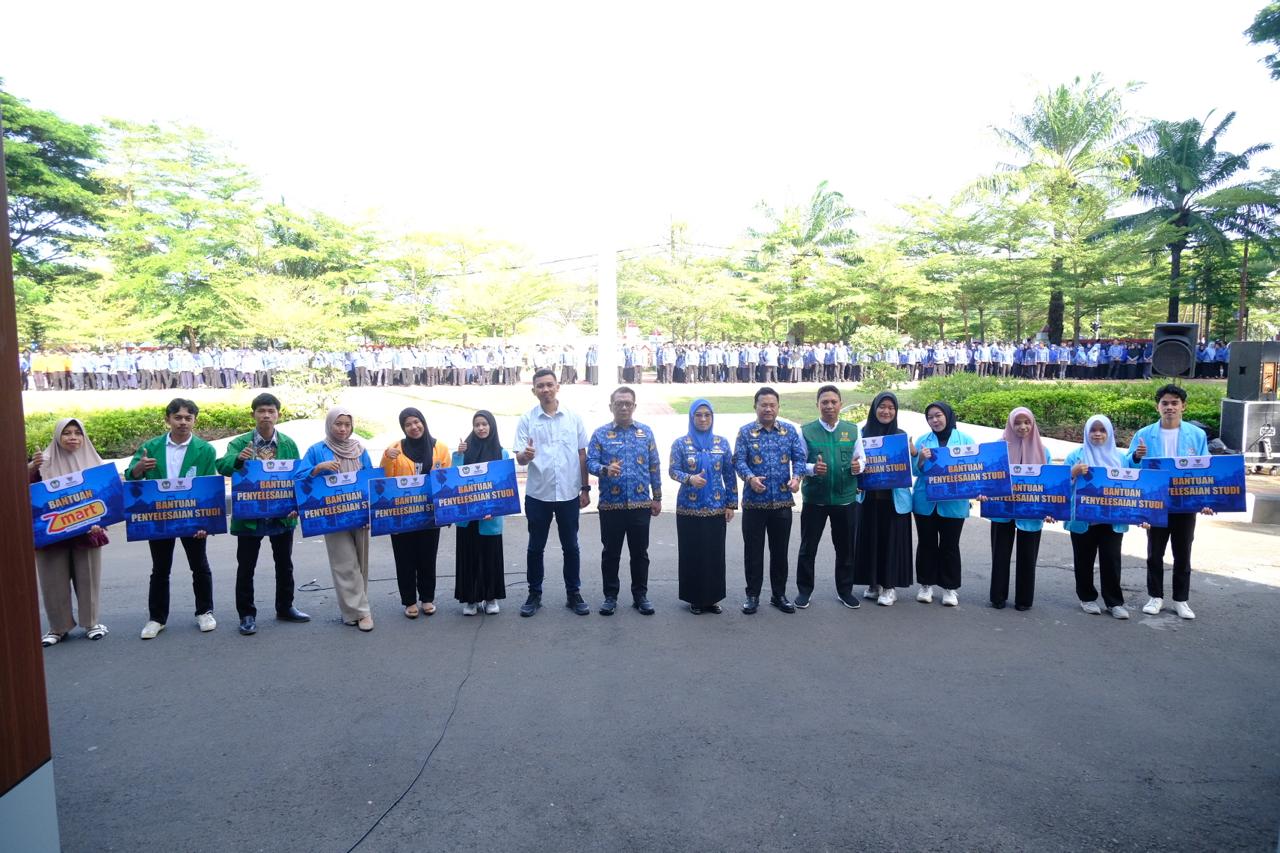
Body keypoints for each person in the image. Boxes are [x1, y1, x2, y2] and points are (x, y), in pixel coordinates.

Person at [216, 393, 310, 636]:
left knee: (284, 564)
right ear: (253, 415)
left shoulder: (288, 443)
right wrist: (238, 459)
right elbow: (223, 465)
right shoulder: (240, 443)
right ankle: (247, 614)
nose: (266, 415)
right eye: (261, 411)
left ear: (278, 415)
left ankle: (285, 607)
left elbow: (297, 476)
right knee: (246, 566)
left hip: (281, 514)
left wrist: (296, 504)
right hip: (250, 515)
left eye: (271, 411)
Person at [127, 399, 219, 640]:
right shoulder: (151, 447)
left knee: (199, 565)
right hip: (160, 517)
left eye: (188, 418)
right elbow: (130, 477)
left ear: (194, 421)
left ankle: (205, 612)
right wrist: (139, 469)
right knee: (160, 569)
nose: (183, 422)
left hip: (191, 517)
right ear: (168, 419)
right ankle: (156, 618)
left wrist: (205, 524)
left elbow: (208, 488)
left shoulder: (205, 450)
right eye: (178, 417)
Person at [1128, 384, 1213, 619]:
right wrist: (1137, 456)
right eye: (1165, 403)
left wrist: (1205, 500)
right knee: (1155, 552)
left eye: (1174, 403)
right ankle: (1155, 596)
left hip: (1185, 503)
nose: (1169, 407)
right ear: (1158, 407)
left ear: (1183, 406)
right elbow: (1130, 465)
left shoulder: (1196, 436)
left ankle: (1181, 600)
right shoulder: (1144, 434)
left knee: (1183, 552)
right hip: (1155, 503)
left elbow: (1205, 470)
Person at [513, 368, 591, 617]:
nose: (545, 389)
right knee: (536, 546)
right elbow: (521, 459)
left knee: (571, 546)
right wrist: (526, 455)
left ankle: (573, 593)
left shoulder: (573, 418)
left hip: (568, 493)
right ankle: (534, 594)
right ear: (533, 390)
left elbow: (582, 454)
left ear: (558, 386)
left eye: (549, 385)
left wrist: (585, 487)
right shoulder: (527, 420)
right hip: (539, 494)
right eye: (540, 386)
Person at [30, 418, 110, 645]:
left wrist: (101, 521)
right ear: (57, 437)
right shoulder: (41, 463)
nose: (73, 437)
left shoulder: (95, 464)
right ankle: (58, 628)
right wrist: (31, 468)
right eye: (66, 433)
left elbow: (107, 498)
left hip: (87, 532)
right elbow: (21, 491)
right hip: (51, 533)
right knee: (52, 580)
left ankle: (92, 623)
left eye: (77, 432)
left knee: (88, 578)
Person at [296, 406, 375, 631]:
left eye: (347, 425)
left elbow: (370, 479)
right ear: (329, 425)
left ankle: (353, 610)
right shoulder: (317, 450)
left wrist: (371, 512)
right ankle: (363, 613)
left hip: (359, 513)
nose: (342, 429)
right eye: (338, 424)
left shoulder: (360, 449)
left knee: (361, 562)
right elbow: (299, 478)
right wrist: (317, 468)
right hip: (333, 516)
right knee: (345, 563)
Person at [586, 386, 662, 615]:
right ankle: (610, 596)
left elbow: (654, 466)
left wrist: (657, 497)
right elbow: (590, 463)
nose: (624, 407)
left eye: (628, 403)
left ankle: (640, 595)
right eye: (619, 403)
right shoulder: (600, 434)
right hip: (611, 505)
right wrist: (605, 470)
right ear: (611, 407)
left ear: (634, 406)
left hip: (640, 504)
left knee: (640, 553)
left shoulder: (645, 433)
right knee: (611, 553)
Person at [732, 386, 806, 614]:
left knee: (780, 551)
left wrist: (797, 478)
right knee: (753, 552)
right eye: (763, 404)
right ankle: (752, 595)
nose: (768, 409)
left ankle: (779, 594)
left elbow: (800, 458)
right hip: (754, 503)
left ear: (778, 407)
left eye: (772, 405)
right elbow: (738, 461)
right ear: (755, 406)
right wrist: (750, 477)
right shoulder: (745, 432)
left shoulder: (789, 431)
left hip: (782, 502)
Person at [1065, 415, 1140, 620]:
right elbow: (1060, 486)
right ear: (1086, 433)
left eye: (1102, 430)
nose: (1097, 434)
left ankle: (1114, 602)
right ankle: (1087, 597)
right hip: (1082, 519)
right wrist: (1073, 473)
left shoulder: (1120, 458)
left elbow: (1134, 484)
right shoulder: (1076, 456)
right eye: (1093, 430)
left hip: (1112, 520)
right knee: (1083, 560)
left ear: (1109, 433)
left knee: (1111, 560)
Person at [380, 407, 451, 619]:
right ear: (403, 427)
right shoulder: (394, 449)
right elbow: (383, 481)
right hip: (401, 514)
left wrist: (447, 512)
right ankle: (409, 600)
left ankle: (427, 598)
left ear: (423, 421)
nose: (414, 427)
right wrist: (387, 458)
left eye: (416, 422)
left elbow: (446, 479)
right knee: (404, 558)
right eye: (408, 424)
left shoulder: (440, 448)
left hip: (430, 514)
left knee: (427, 557)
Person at [796, 385, 863, 610]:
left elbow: (861, 459)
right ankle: (804, 591)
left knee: (845, 549)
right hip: (815, 499)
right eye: (825, 402)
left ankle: (845, 591)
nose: (829, 406)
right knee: (808, 547)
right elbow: (798, 464)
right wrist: (813, 468)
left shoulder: (852, 430)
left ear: (840, 404)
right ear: (818, 405)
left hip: (845, 499)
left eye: (834, 402)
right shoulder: (806, 431)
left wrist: (858, 466)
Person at [669, 400, 737, 614]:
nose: (703, 419)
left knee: (714, 553)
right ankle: (695, 599)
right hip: (688, 508)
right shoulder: (680, 443)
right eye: (698, 415)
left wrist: (731, 504)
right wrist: (689, 479)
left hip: (716, 507)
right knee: (692, 553)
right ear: (691, 417)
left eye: (707, 414)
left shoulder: (722, 443)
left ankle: (713, 598)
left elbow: (729, 474)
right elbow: (673, 470)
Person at [984, 407, 1055, 611]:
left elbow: (1049, 484)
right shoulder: (997, 448)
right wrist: (983, 493)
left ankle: (1024, 599)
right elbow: (987, 478)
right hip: (1001, 510)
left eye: (1027, 422)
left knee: (1027, 556)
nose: (1023, 427)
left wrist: (1050, 509)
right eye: (1017, 422)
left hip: (1032, 513)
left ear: (1033, 424)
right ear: (1010, 424)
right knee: (1000, 555)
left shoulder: (1044, 451)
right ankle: (998, 597)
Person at [853, 392, 916, 605]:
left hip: (894, 501)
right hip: (868, 499)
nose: (886, 411)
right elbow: (855, 463)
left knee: (890, 542)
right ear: (874, 408)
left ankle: (889, 587)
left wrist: (912, 454)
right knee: (871, 541)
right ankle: (874, 583)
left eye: (891, 407)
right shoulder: (862, 434)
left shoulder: (901, 436)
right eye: (882, 406)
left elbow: (910, 470)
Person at [912, 401, 973, 607]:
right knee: (926, 543)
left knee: (950, 545)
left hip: (954, 503)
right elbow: (915, 471)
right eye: (930, 417)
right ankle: (926, 584)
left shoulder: (964, 440)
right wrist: (920, 458)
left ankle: (949, 588)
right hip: (925, 502)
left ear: (947, 415)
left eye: (938, 415)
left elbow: (975, 470)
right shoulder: (923, 440)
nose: (935, 420)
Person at [453, 411, 508, 615]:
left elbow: (504, 485)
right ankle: (471, 599)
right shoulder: (463, 451)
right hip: (467, 517)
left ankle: (490, 597)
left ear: (491, 426)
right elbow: (454, 480)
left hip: (490, 517)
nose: (481, 428)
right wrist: (458, 455)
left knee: (489, 556)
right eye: (477, 425)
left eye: (485, 424)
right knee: (469, 556)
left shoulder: (501, 453)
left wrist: (493, 507)